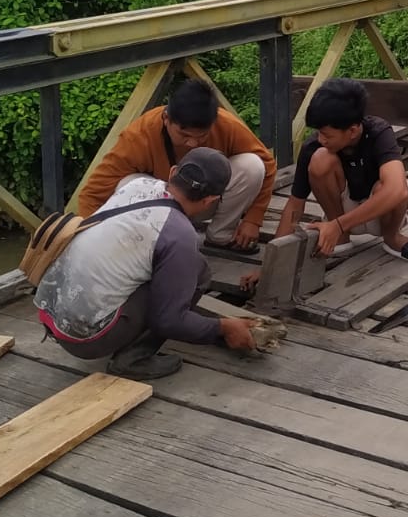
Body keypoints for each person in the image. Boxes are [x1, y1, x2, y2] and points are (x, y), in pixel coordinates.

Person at [35, 149, 259, 379]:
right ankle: (133, 359)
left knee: (174, 264)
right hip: (85, 340)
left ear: (173, 172)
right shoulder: (180, 235)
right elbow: (169, 321)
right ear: (211, 200)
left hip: (48, 311)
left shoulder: (137, 185)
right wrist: (222, 327)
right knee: (198, 272)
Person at [77, 79, 275, 252]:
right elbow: (94, 191)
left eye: (202, 136)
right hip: (159, 208)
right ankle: (153, 243)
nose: (193, 144)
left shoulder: (227, 124)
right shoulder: (139, 135)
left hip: (206, 200)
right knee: (127, 184)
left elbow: (267, 163)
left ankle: (220, 236)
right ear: (166, 119)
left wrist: (253, 219)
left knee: (252, 165)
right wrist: (85, 239)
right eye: (185, 135)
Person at [274, 78, 408, 266]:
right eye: (319, 132)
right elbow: (295, 204)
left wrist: (338, 225)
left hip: (381, 212)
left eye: (327, 135)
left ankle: (392, 237)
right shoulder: (314, 146)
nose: (321, 139)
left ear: (353, 131)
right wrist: (272, 263)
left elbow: (398, 191)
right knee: (320, 159)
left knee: (390, 185)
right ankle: (340, 238)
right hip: (341, 214)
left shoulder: (378, 132)